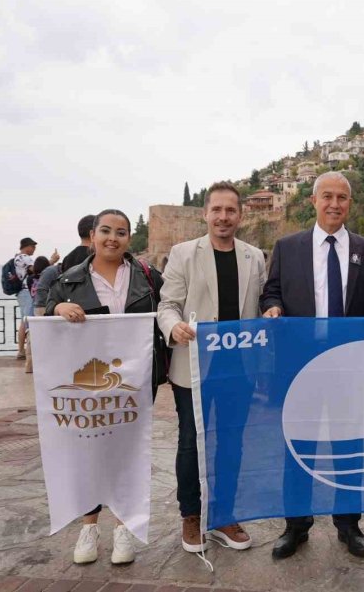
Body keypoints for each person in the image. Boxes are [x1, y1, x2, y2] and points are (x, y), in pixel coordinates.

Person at [260, 171, 364, 559]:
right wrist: (272, 307)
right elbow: (272, 290)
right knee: (299, 448)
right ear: (313, 201)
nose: (335, 204)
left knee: (350, 448)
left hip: (349, 366)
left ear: (350, 203)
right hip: (301, 367)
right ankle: (296, 526)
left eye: (342, 198)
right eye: (327, 196)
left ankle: (349, 525)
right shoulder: (287, 247)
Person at [46, 209, 168, 565]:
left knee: (130, 451)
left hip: (137, 380)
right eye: (106, 231)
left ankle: (124, 526)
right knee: (89, 452)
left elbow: (171, 305)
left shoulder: (148, 277)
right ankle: (89, 526)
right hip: (91, 385)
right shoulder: (68, 280)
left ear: (130, 238)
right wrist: (58, 307)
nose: (112, 238)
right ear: (93, 235)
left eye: (121, 232)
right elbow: (45, 314)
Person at [157, 182, 266, 554]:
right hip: (193, 369)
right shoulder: (183, 253)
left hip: (239, 369)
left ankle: (223, 515)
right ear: (206, 213)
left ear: (240, 215)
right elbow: (167, 304)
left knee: (232, 443)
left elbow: (262, 305)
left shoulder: (255, 257)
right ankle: (191, 514)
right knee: (191, 443)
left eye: (230, 210)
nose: (223, 217)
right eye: (216, 210)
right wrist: (173, 326)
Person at [15, 238, 59, 359]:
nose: (34, 249)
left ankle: (23, 351)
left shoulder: (20, 258)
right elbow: (37, 270)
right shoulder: (24, 257)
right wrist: (52, 261)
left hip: (25, 292)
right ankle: (27, 352)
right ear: (26, 246)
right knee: (29, 322)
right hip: (27, 293)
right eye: (33, 246)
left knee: (26, 321)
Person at [23, 256, 52, 374]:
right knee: (48, 335)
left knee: (33, 336)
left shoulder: (30, 279)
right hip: (46, 306)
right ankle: (46, 363)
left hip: (35, 307)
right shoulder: (47, 277)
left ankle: (29, 365)